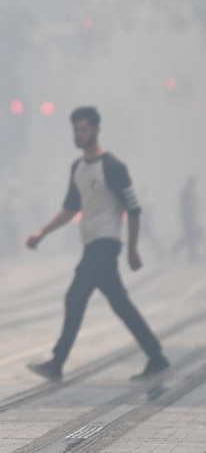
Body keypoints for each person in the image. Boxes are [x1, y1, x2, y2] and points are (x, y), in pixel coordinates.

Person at [25, 106, 169, 382]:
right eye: (76, 130)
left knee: (75, 297)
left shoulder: (113, 167)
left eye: (84, 129)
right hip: (92, 243)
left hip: (106, 244)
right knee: (119, 303)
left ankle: (57, 363)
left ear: (96, 129)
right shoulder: (77, 168)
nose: (79, 134)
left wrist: (132, 249)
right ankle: (156, 356)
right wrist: (41, 233)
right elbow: (69, 209)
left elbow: (134, 208)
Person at [170, 176, 201, 262]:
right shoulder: (186, 193)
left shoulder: (188, 192)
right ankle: (190, 253)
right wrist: (191, 217)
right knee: (192, 235)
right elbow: (187, 207)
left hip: (189, 217)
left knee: (189, 235)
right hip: (189, 218)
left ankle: (176, 249)